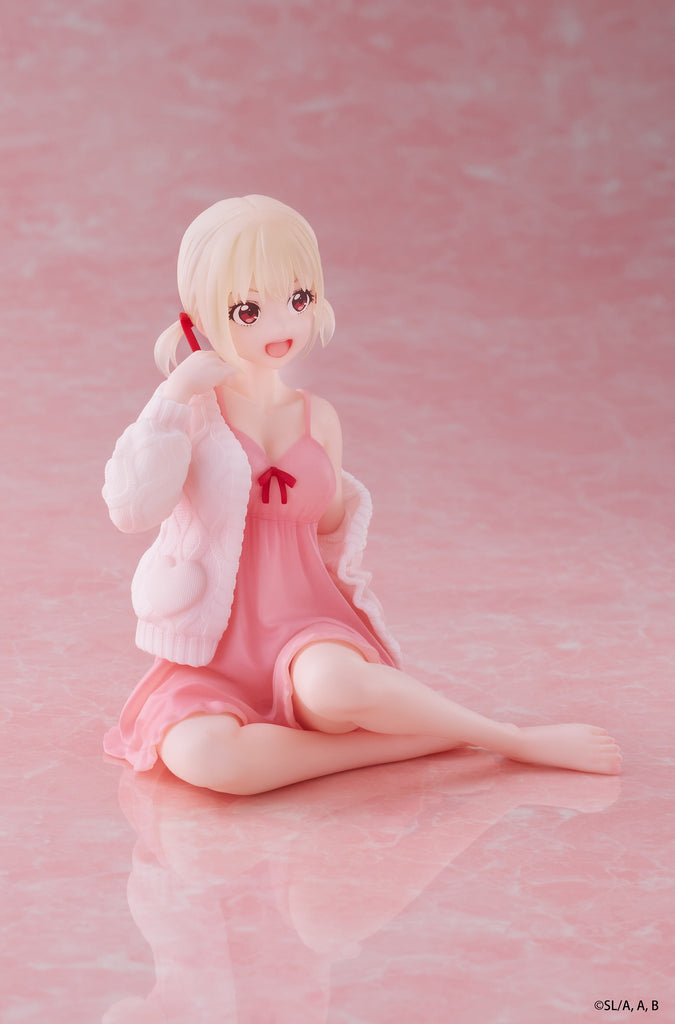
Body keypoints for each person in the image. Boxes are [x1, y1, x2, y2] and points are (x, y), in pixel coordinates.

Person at [103, 195, 621, 794]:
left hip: (306, 629)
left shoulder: (318, 417)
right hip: (214, 649)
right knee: (205, 758)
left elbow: (328, 535)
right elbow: (131, 509)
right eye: (249, 309)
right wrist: (171, 395)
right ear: (199, 314)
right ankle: (413, 741)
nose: (281, 326)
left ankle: (511, 739)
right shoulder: (190, 415)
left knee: (333, 687)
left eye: (299, 300)